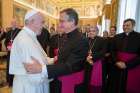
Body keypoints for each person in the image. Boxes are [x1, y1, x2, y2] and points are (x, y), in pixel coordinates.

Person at [24, 8, 89, 93]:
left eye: (62, 21)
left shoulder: (81, 40)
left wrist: (42, 69)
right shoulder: (66, 36)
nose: (59, 24)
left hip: (72, 84)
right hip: (60, 79)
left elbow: (69, 66)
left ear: (72, 21)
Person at [9, 10, 55, 93]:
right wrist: (53, 72)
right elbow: (34, 75)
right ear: (32, 22)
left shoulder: (30, 36)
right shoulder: (24, 40)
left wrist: (54, 60)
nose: (43, 25)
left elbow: (42, 59)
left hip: (31, 85)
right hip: (30, 87)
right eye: (42, 22)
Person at [108, 18, 140, 93]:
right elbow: (112, 51)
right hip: (117, 66)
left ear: (133, 26)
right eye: (124, 25)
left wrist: (127, 64)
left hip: (132, 66)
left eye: (127, 25)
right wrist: (117, 61)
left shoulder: (138, 37)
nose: (125, 27)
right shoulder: (117, 37)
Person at [85, 26, 107, 93]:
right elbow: (82, 50)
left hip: (97, 63)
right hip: (87, 62)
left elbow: (103, 52)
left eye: (93, 31)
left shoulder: (102, 40)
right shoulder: (86, 40)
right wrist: (87, 58)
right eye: (90, 31)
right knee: (87, 79)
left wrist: (91, 57)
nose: (91, 32)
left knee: (94, 80)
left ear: (97, 32)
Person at [0, 19, 20, 87]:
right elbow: (6, 41)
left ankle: (16, 82)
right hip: (10, 53)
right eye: (12, 23)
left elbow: (21, 42)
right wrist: (7, 46)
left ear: (17, 23)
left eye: (15, 23)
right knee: (10, 67)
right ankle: (10, 82)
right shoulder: (9, 32)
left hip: (17, 54)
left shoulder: (20, 32)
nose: (13, 24)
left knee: (16, 67)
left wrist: (15, 47)